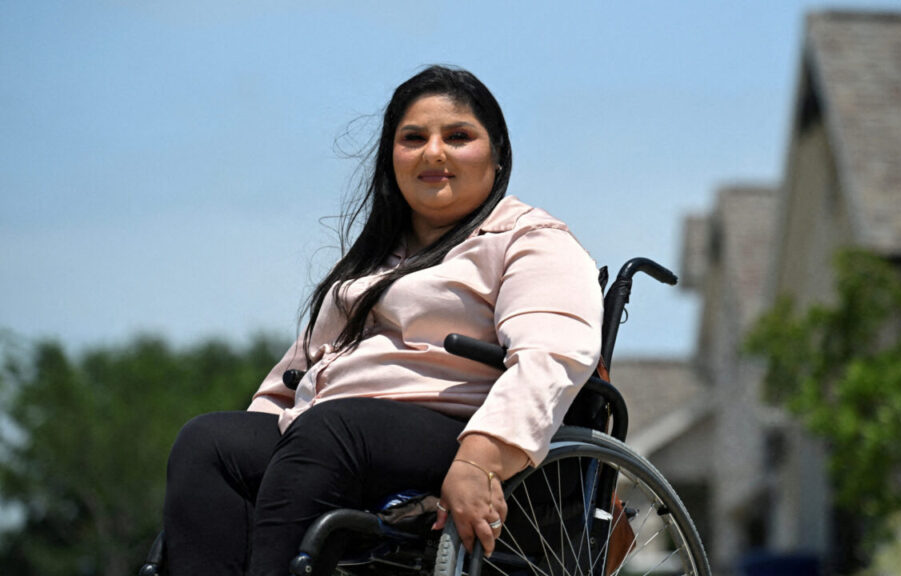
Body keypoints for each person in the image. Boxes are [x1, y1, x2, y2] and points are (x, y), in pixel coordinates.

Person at [162, 65, 603, 576]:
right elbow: (294, 379)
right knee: (211, 442)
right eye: (413, 139)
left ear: (497, 152)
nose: (433, 152)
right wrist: (258, 442)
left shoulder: (529, 239)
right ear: (392, 158)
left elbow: (552, 357)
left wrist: (481, 457)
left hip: (454, 430)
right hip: (330, 433)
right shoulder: (371, 266)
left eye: (458, 136)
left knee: (334, 428)